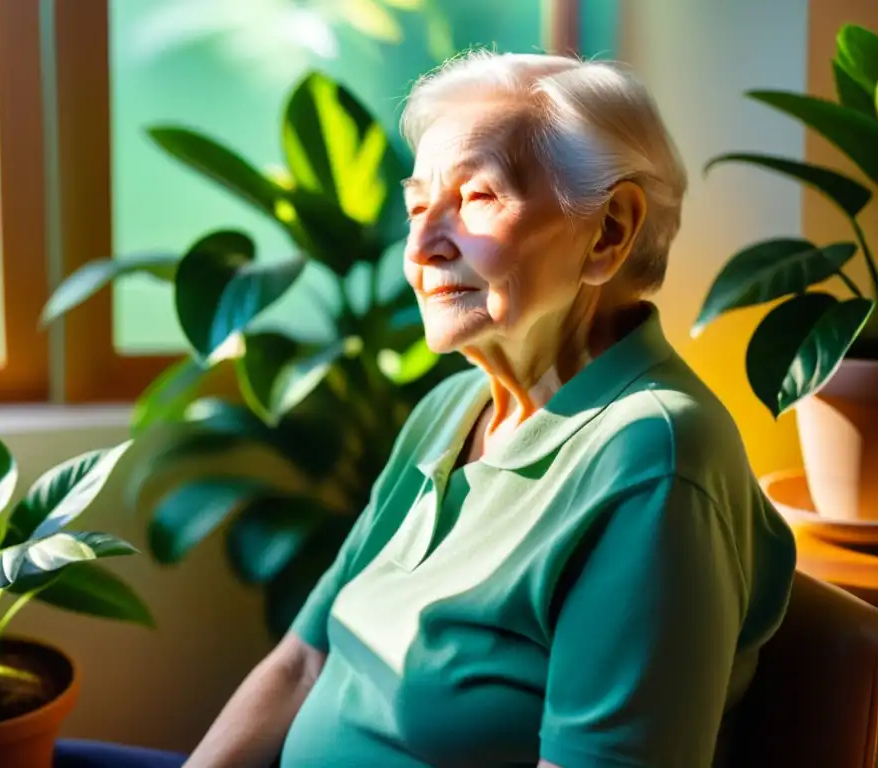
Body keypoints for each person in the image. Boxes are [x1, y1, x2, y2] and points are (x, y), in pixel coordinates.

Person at [186, 52, 797, 768]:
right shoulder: (452, 407)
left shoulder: (652, 460)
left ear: (608, 231)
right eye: (418, 207)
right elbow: (303, 663)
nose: (420, 247)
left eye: (476, 198)